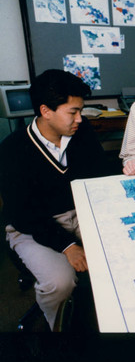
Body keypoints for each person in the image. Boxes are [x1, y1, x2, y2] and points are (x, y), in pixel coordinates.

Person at [0, 69, 111, 330]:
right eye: (72, 112)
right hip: (32, 227)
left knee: (123, 256)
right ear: (46, 111)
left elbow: (100, 179)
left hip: (82, 214)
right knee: (60, 283)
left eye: (81, 111)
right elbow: (23, 214)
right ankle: (59, 335)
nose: (80, 119)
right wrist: (68, 246)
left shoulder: (81, 135)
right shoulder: (13, 149)